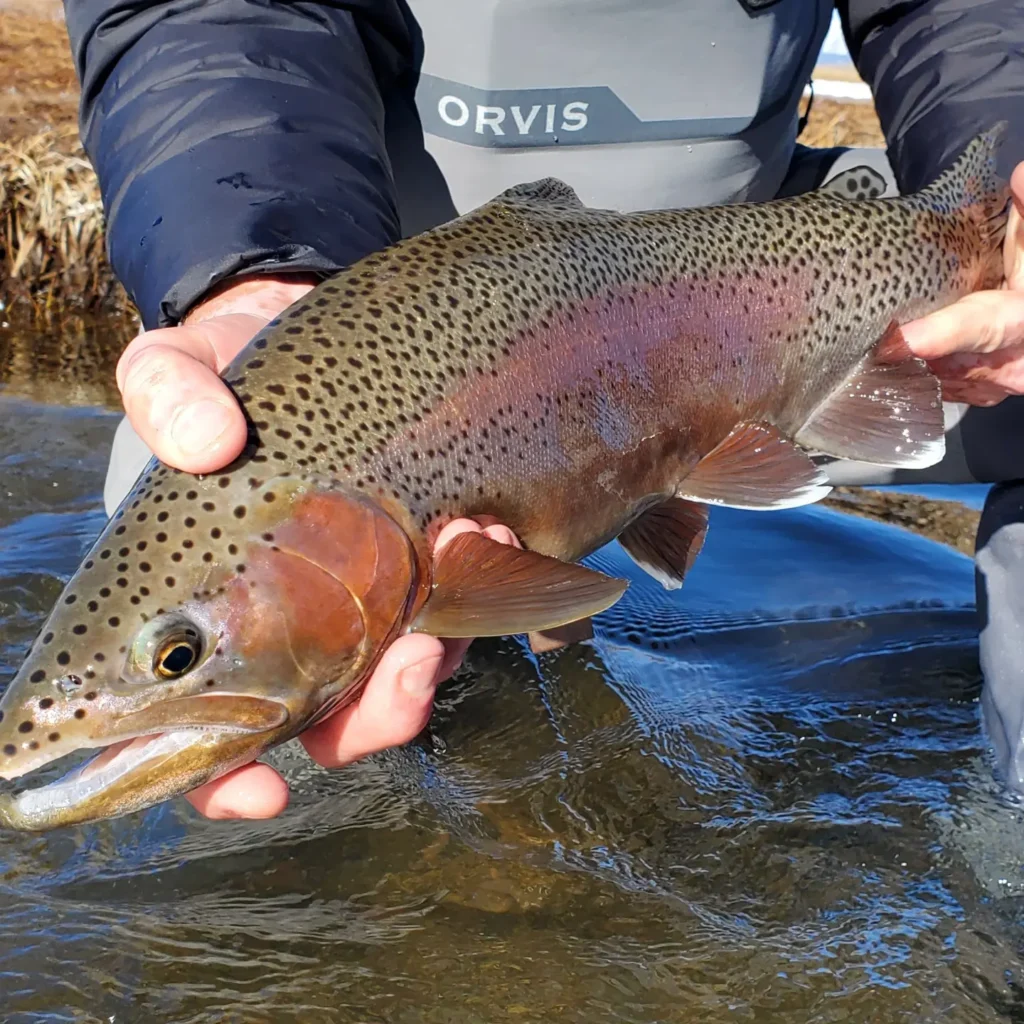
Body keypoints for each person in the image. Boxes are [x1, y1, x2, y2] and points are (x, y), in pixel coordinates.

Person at [62, 0, 1024, 819]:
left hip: (744, 274)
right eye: (177, 656)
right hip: (352, 270)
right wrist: (252, 273)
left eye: (177, 656)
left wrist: (1009, 151)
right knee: (192, 502)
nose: (178, 661)